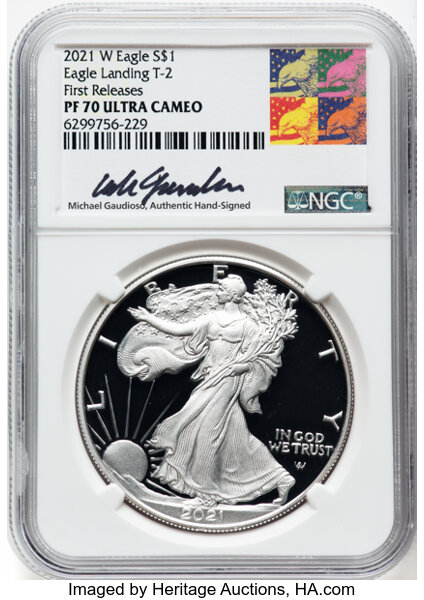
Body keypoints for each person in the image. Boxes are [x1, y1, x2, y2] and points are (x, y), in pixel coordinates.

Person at [129, 275, 295, 506]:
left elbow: (263, 359)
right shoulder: (211, 318)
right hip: (210, 377)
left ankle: (206, 495)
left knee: (205, 430)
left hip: (228, 380)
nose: (218, 291)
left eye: (222, 288)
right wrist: (149, 319)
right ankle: (279, 477)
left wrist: (241, 367)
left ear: (234, 295)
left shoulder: (248, 326)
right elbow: (180, 330)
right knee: (236, 435)